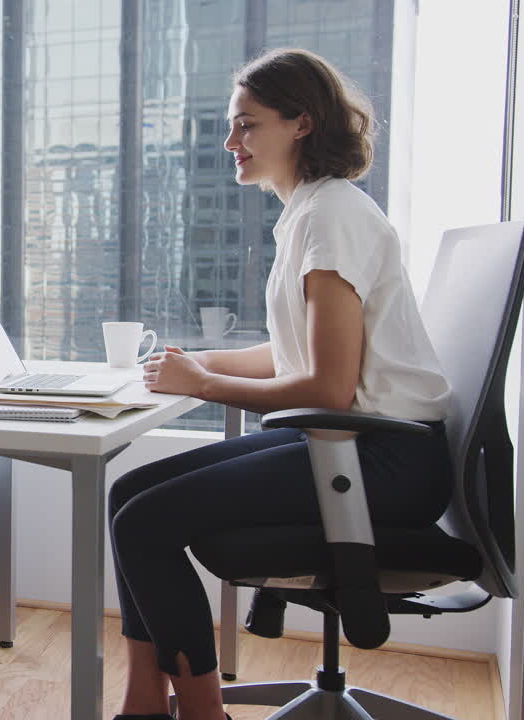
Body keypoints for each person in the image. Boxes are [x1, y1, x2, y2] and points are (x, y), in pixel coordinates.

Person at [107, 49, 453, 720]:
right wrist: (192, 362)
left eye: (247, 125)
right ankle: (144, 702)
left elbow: (326, 386)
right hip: (351, 446)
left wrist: (203, 385)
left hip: (382, 461)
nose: (230, 142)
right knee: (128, 492)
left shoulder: (332, 218)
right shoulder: (310, 212)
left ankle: (203, 712)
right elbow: (291, 352)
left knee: (146, 521)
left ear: (302, 123)